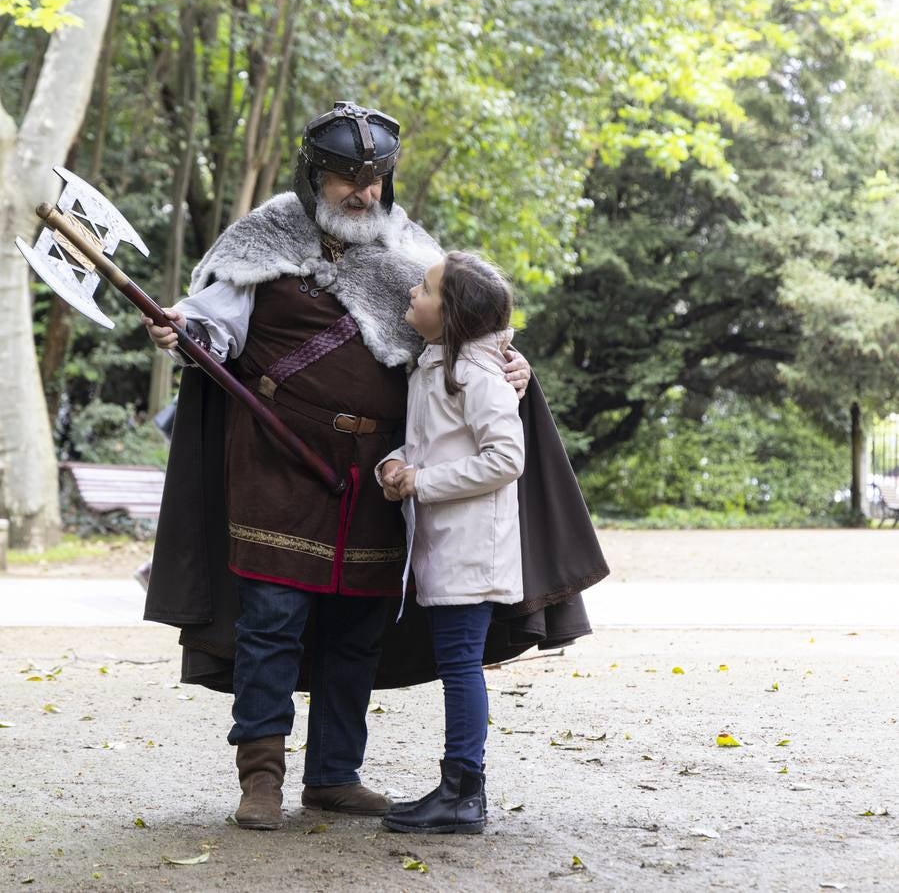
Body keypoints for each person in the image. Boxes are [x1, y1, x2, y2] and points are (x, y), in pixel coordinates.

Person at [141, 101, 606, 832]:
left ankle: (333, 775)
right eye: (345, 179)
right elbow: (211, 325)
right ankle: (260, 779)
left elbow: (467, 323)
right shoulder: (260, 238)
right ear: (312, 175)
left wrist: (506, 365)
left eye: (374, 178)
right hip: (275, 463)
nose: (362, 193)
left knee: (356, 625)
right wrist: (181, 329)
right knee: (271, 622)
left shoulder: (412, 249)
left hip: (380, 469)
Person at [376, 252, 524, 835]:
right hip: (445, 545)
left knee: (462, 666)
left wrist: (424, 483)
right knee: (456, 663)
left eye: (426, 287)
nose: (413, 293)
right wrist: (397, 466)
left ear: (452, 312)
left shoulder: (478, 376)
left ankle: (463, 794)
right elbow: (428, 445)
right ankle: (458, 791)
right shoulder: (436, 367)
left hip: (472, 550)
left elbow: (506, 458)